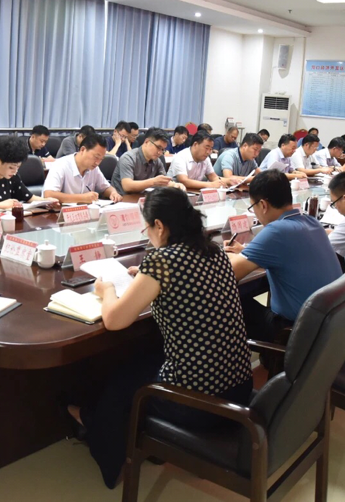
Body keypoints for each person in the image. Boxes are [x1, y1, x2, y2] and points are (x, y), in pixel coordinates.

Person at [69, 187, 253, 488]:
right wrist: (144, 278)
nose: (148, 235)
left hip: (195, 404)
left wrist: (108, 290)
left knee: (122, 383)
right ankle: (108, 426)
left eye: (147, 228)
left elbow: (114, 320)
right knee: (142, 363)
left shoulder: (162, 260)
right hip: (238, 390)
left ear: (159, 225)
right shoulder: (214, 251)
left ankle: (97, 432)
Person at [224, 170, 342, 342]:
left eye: (252, 207)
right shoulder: (312, 222)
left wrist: (226, 255)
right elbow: (288, 258)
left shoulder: (276, 231)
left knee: (233, 300)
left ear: (263, 205)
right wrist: (244, 252)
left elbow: (229, 274)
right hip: (330, 325)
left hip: (297, 331)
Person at [0, 136, 59, 214]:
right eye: (11, 167)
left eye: (18, 167)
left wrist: (47, 201)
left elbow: (28, 197)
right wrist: (1, 205)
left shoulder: (12, 176)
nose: (15, 171)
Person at [43, 131, 123, 203]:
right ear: (82, 150)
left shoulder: (94, 168)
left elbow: (105, 188)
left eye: (101, 159)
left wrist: (113, 193)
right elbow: (49, 194)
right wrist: (82, 198)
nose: (97, 163)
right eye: (96, 157)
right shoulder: (60, 164)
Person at [111, 128, 183, 195]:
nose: (160, 153)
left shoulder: (157, 160)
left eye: (162, 150)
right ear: (147, 142)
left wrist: (175, 185)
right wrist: (153, 182)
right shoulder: (128, 158)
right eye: (158, 147)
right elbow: (127, 186)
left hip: (141, 198)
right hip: (122, 199)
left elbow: (163, 181)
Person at [167, 133, 237, 190]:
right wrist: (211, 185)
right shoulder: (181, 157)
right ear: (195, 144)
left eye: (211, 149)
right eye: (206, 148)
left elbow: (213, 177)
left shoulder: (206, 159)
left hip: (194, 192)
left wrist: (228, 181)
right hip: (175, 193)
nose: (208, 152)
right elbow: (184, 181)